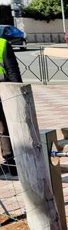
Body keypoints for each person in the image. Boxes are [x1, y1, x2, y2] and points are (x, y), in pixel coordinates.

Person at [0, 37, 22, 176]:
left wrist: (18, 92)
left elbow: (12, 71)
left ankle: (10, 162)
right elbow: (12, 70)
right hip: (3, 89)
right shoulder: (2, 43)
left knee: (4, 126)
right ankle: (10, 161)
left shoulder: (2, 44)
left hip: (3, 89)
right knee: (4, 127)